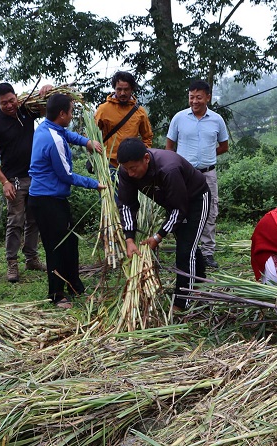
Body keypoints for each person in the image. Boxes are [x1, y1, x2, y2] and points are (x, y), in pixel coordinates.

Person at [29, 93, 105, 309]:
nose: (72, 115)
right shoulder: (53, 141)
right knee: (56, 247)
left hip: (53, 198)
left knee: (70, 242)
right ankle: (56, 294)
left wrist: (87, 141)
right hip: (47, 201)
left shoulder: (47, 127)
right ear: (62, 114)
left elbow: (66, 134)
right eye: (71, 112)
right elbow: (67, 175)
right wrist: (94, 184)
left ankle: (74, 284)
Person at [117, 138, 210, 311]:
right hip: (174, 202)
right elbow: (126, 205)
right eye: (126, 168)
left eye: (133, 168)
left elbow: (179, 210)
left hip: (196, 198)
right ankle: (199, 282)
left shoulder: (168, 169)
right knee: (186, 241)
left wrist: (157, 237)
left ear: (146, 158)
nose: (130, 173)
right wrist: (129, 239)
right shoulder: (126, 172)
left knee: (185, 249)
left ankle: (183, 302)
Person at [0, 82, 52, 283]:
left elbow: (47, 109)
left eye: (11, 100)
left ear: (17, 97)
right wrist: (4, 182)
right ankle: (12, 263)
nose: (9, 105)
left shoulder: (26, 110)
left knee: (35, 219)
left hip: (35, 176)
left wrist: (47, 90)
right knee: (15, 221)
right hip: (14, 180)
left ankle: (31, 258)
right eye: (3, 103)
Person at [165, 79, 228, 269]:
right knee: (181, 209)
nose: (194, 101)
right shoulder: (179, 118)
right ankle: (186, 249)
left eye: (199, 97)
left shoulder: (217, 120)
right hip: (183, 174)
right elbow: (170, 145)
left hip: (208, 174)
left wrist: (208, 156)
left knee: (210, 211)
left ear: (207, 97)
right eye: (191, 97)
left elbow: (224, 146)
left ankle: (208, 253)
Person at [95, 71, 154, 167]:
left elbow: (147, 137)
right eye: (119, 89)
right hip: (108, 162)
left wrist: (140, 156)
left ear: (132, 89)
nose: (122, 93)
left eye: (126, 89)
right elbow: (93, 135)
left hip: (132, 163)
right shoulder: (103, 110)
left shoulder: (140, 112)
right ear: (114, 89)